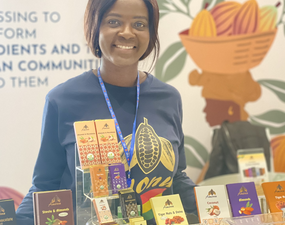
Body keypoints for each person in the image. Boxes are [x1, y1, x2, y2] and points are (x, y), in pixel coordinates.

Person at [16, 0, 197, 224]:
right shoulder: (62, 100)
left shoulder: (168, 98)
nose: (127, 33)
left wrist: (224, 205)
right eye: (114, 22)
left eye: (140, 24)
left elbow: (176, 178)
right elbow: (45, 186)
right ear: (94, 27)